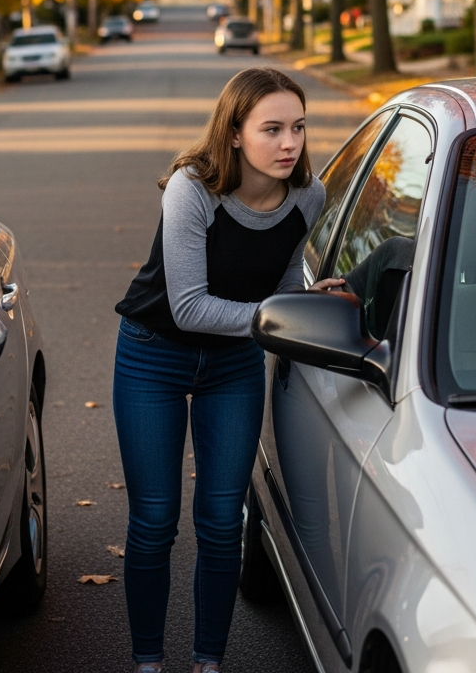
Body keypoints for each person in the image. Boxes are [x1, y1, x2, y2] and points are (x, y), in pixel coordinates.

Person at [113, 67, 341, 673]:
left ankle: (208, 662)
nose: (289, 142)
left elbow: (283, 283)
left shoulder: (308, 196)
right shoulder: (193, 189)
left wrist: (307, 301)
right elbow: (188, 307)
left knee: (221, 521)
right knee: (155, 519)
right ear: (234, 133)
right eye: (271, 129)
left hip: (233, 363)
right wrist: (280, 315)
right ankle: (147, 662)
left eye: (298, 127)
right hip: (152, 355)